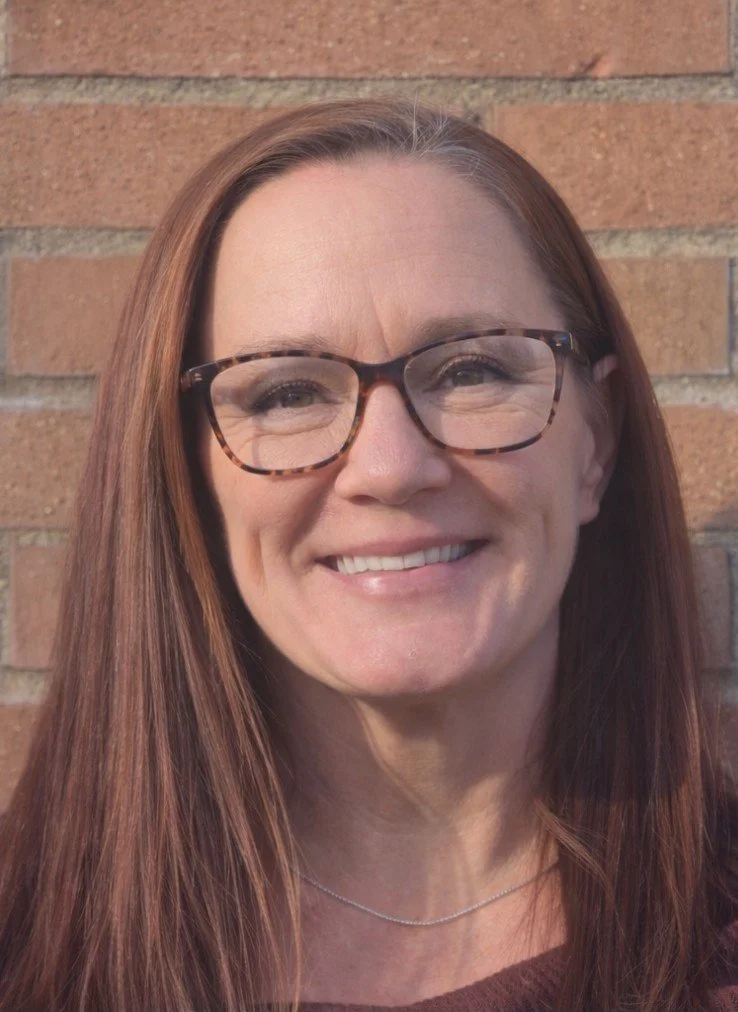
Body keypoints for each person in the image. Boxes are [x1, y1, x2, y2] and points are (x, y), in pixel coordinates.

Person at [0, 98, 736, 1012]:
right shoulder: (27, 946)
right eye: (286, 393)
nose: (390, 468)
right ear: (184, 472)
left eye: (472, 370)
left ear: (597, 441)